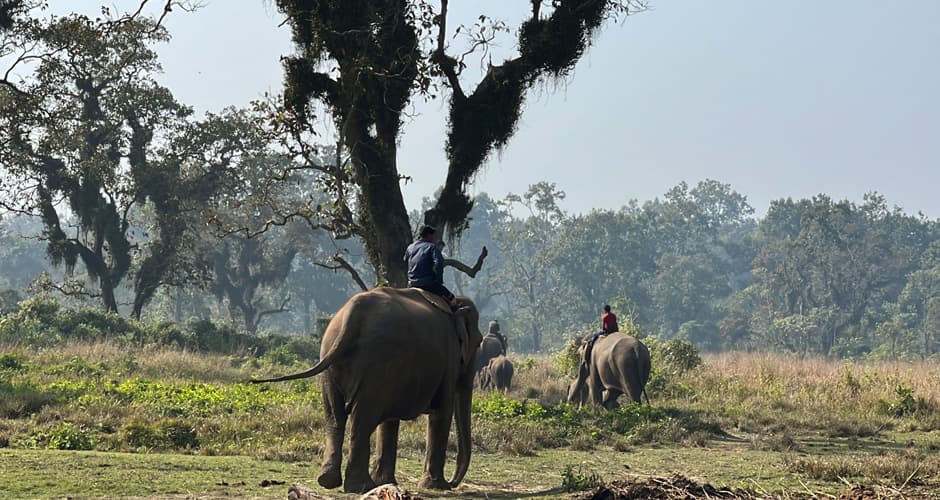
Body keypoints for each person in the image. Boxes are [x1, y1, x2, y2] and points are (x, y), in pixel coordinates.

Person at [404, 225, 457, 307]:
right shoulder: (431, 247)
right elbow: (439, 262)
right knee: (452, 299)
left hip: (411, 284)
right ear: (428, 235)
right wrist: (438, 279)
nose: (433, 238)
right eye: (432, 235)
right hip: (428, 284)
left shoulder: (410, 247)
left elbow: (405, 261)